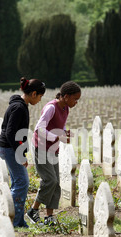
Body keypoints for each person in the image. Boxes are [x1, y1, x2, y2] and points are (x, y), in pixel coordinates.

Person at [26, 81, 81, 226]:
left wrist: (64, 133)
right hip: (41, 147)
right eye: (75, 99)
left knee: (56, 182)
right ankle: (33, 210)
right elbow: (39, 129)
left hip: (52, 148)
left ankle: (49, 216)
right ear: (66, 96)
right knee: (49, 180)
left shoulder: (65, 109)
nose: (76, 102)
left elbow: (58, 127)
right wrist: (56, 137)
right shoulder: (51, 107)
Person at [0, 77, 46, 228]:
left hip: (7, 147)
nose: (39, 100)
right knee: (22, 182)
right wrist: (20, 154)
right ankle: (14, 221)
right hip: (9, 148)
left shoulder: (19, 105)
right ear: (33, 94)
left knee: (18, 182)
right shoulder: (19, 108)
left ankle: (13, 219)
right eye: (40, 97)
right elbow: (11, 133)